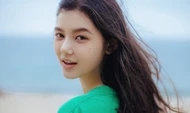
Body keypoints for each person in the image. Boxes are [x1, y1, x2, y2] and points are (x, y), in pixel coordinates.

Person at [53, 0, 181, 113]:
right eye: (60, 35)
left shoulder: (76, 109)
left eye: (81, 37)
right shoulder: (132, 101)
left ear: (110, 45)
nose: (65, 48)